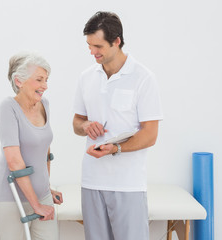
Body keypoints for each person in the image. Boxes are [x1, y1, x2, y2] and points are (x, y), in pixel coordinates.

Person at [73, 11, 163, 240]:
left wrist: (116, 149)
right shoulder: (86, 77)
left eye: (98, 46)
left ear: (116, 41)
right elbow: (76, 122)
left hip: (128, 184)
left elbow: (150, 134)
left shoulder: (143, 78)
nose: (92, 52)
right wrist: (85, 126)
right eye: (89, 45)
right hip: (91, 182)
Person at [0, 52, 63, 240]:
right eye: (39, 79)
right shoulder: (7, 108)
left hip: (41, 194)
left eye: (46, 80)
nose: (45, 86)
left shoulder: (44, 104)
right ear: (19, 81)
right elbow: (14, 162)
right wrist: (36, 205)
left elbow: (45, 151)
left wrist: (46, 188)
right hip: (9, 198)